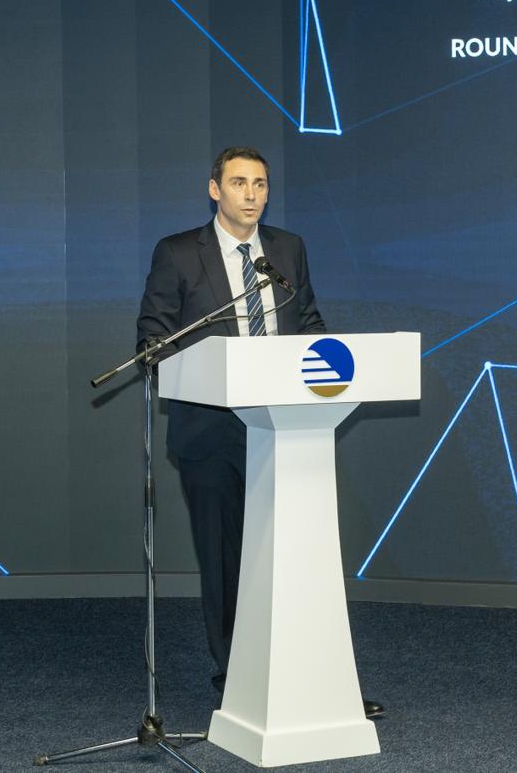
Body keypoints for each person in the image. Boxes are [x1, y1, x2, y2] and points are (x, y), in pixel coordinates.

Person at [136, 147, 382, 718]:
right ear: (214, 190)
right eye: (239, 182)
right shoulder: (178, 252)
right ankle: (240, 679)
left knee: (296, 557)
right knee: (227, 561)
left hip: (287, 427)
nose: (251, 194)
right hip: (212, 431)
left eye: (261, 184)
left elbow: (310, 323)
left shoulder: (288, 249)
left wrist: (327, 362)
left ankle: (316, 681)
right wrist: (203, 366)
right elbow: (153, 338)